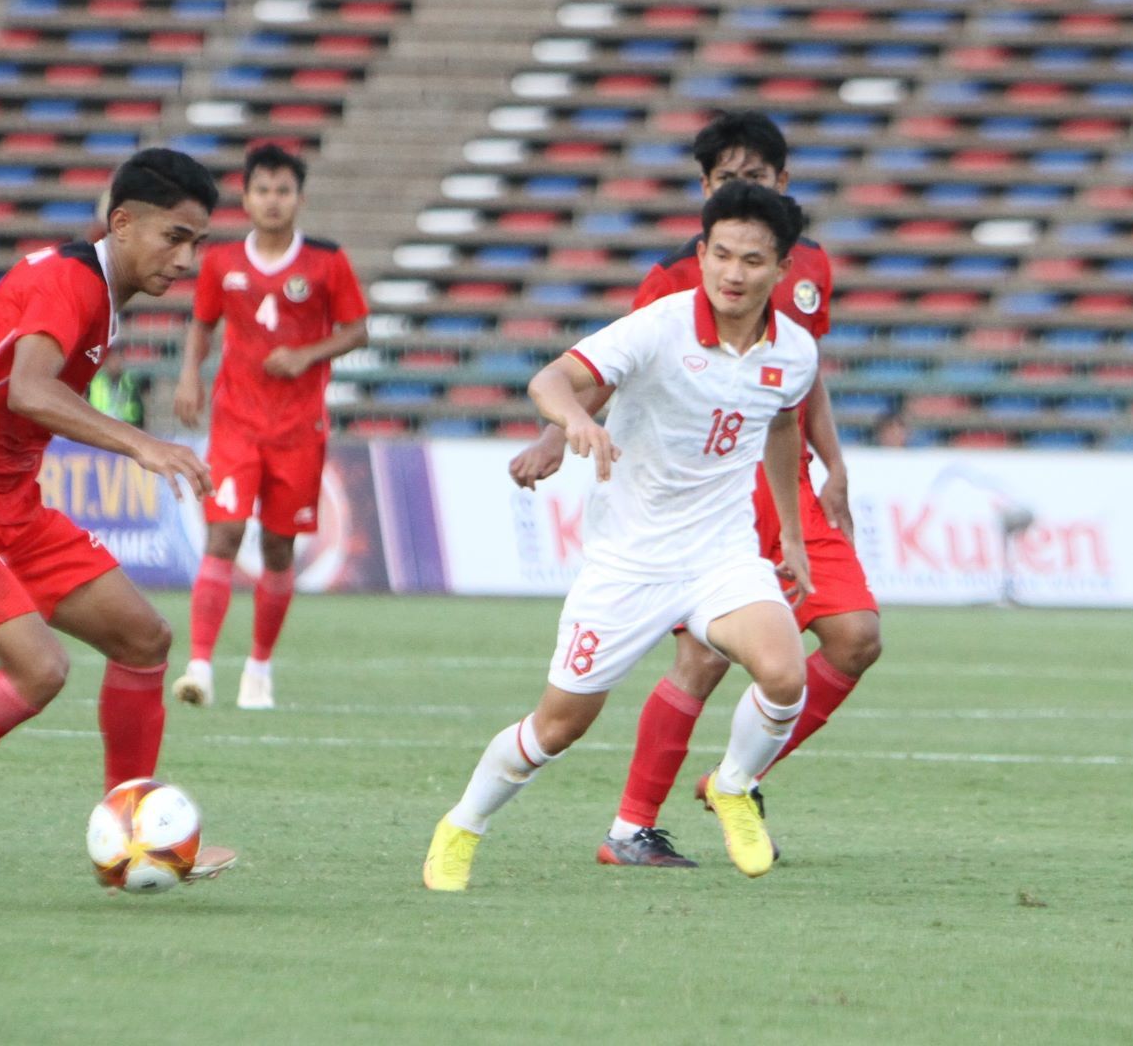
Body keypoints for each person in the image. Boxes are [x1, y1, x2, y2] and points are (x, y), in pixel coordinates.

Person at [0, 148, 235, 897]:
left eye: (197, 242)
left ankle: (131, 831)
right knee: (40, 669)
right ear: (122, 224)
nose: (187, 260)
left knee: (143, 639)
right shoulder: (71, 281)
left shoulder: (79, 284)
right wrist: (143, 444)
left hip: (7, 506)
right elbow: (31, 391)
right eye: (176, 237)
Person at [508, 111, 881, 868]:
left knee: (857, 637)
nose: (743, 190)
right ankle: (632, 826)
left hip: (785, 484)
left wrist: (832, 462)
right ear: (705, 189)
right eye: (727, 179)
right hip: (708, 495)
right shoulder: (677, 277)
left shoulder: (808, 269)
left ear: (782, 183)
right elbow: (617, 368)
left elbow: (802, 380)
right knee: (704, 661)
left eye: (757, 177)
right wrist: (558, 431)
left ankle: (735, 780)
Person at [423, 183, 819, 891]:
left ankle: (732, 784)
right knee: (556, 728)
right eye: (721, 255)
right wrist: (574, 419)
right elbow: (551, 379)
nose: (734, 273)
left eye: (753, 260)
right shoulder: (657, 326)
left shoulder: (795, 352)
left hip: (721, 553)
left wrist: (790, 531)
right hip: (630, 560)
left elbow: (783, 426)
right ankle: (463, 824)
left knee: (785, 673)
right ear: (700, 255)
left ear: (782, 269)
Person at [171, 143, 369, 710]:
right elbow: (202, 324)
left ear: (299, 199)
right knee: (224, 535)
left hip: (298, 428)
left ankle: (258, 667)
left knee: (279, 549)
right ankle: (200, 667)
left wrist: (308, 354)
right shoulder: (221, 261)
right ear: (247, 197)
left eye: (283, 191)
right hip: (236, 422)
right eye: (263, 190)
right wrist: (190, 377)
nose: (273, 200)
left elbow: (357, 330)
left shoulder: (327, 262)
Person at [88, 345, 148, 428]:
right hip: (100, 426)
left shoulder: (131, 381)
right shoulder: (95, 381)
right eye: (111, 360)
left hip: (128, 426)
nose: (115, 363)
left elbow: (137, 408)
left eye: (117, 359)